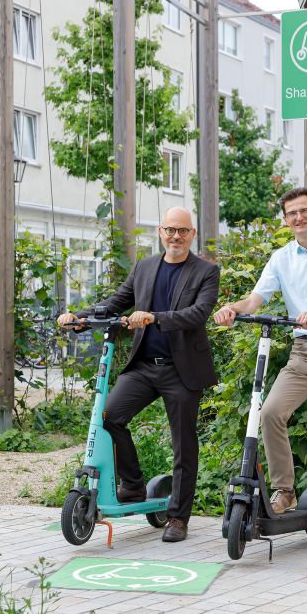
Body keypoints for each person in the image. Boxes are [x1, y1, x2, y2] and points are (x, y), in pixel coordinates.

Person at [214, 187, 307, 553]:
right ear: (284, 220)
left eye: (303, 211)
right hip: (304, 351)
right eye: (291, 214)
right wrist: (233, 308)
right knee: (270, 413)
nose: (298, 218)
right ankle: (284, 490)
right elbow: (257, 298)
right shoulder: (281, 258)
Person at [58, 207, 220, 543]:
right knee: (109, 417)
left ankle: (177, 518)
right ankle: (132, 485)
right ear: (160, 232)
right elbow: (117, 302)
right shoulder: (146, 267)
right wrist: (81, 317)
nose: (175, 236)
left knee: (183, 446)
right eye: (169, 230)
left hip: (182, 370)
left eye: (183, 231)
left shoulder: (206, 272)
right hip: (145, 366)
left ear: (192, 234)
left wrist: (155, 317)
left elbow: (198, 314)